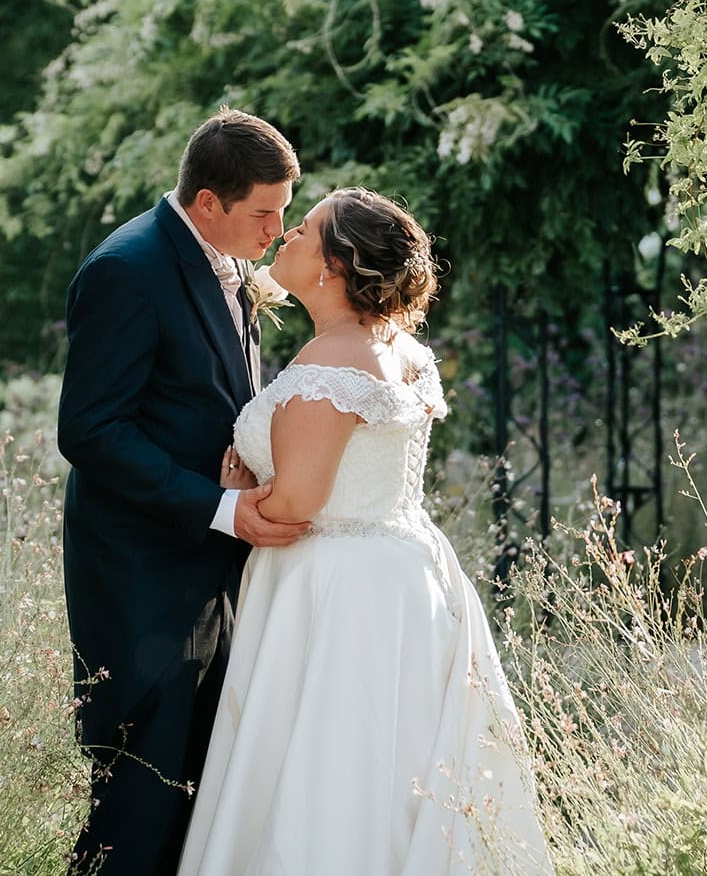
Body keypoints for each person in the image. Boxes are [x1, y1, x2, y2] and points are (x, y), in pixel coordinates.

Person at [177, 188, 554, 876]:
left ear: (334, 266)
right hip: (406, 572)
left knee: (331, 769)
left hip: (334, 591)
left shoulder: (328, 366)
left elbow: (295, 501)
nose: (285, 235)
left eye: (304, 229)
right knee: (395, 762)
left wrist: (240, 493)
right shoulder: (399, 347)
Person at [57, 107, 308, 875]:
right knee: (137, 805)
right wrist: (223, 505)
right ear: (208, 202)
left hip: (213, 570)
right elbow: (92, 432)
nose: (276, 231)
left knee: (194, 799)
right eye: (264, 213)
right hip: (143, 581)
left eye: (285, 213)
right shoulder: (126, 269)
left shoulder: (225, 257)